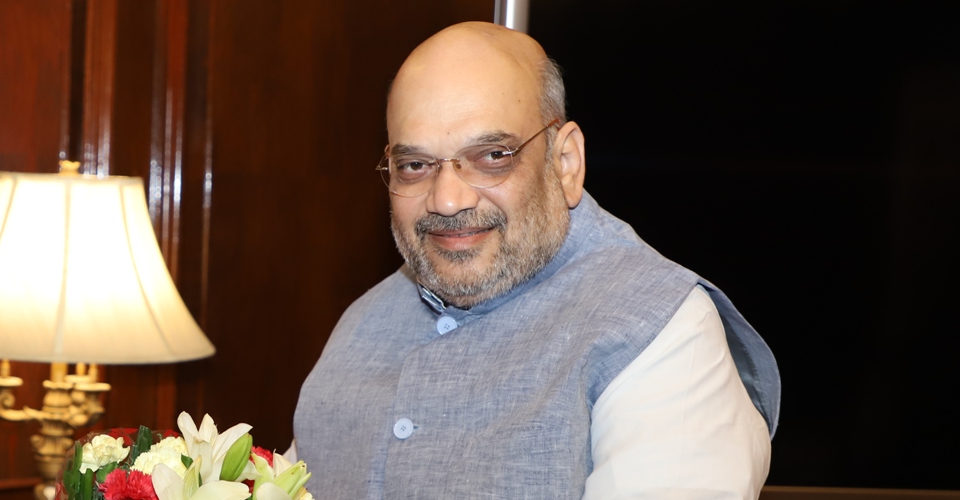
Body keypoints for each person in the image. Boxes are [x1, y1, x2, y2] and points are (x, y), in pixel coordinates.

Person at [294, 22, 780, 499]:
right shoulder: (360, 325)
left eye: (492, 156)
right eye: (415, 165)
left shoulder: (664, 335)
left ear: (564, 162)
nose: (445, 200)